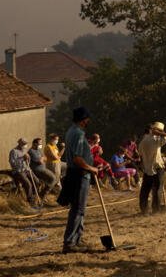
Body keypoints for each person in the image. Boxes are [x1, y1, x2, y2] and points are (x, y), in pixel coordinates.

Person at [59, 106, 99, 254]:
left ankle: (77, 240)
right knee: (78, 209)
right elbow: (77, 158)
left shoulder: (72, 131)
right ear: (83, 120)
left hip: (77, 174)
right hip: (79, 174)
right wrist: (91, 168)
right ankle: (70, 243)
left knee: (79, 209)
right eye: (87, 118)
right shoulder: (78, 134)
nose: (89, 120)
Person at [139, 121, 166, 214]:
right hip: (157, 168)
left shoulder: (142, 142)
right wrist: (160, 132)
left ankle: (144, 209)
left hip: (147, 169)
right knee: (157, 190)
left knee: (145, 190)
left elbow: (141, 155)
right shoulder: (155, 140)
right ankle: (156, 210)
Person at [9, 138, 37, 204]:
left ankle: (35, 197)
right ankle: (30, 201)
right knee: (28, 184)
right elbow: (12, 163)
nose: (25, 145)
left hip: (26, 169)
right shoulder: (14, 151)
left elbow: (27, 161)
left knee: (36, 181)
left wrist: (28, 158)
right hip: (18, 171)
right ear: (19, 144)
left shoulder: (24, 150)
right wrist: (22, 159)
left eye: (26, 144)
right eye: (23, 144)